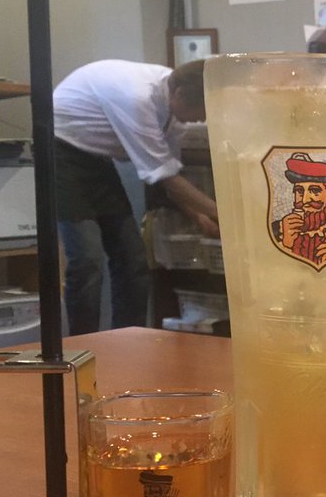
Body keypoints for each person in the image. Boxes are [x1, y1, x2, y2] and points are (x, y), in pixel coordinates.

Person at [53, 58, 220, 335]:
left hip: (97, 156)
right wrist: (221, 214)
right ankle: (82, 345)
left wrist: (198, 216)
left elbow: (169, 174)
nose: (202, 118)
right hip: (60, 149)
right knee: (87, 261)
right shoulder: (137, 98)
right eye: (200, 110)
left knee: (133, 259)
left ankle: (128, 339)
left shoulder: (173, 107)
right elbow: (164, 177)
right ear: (179, 95)